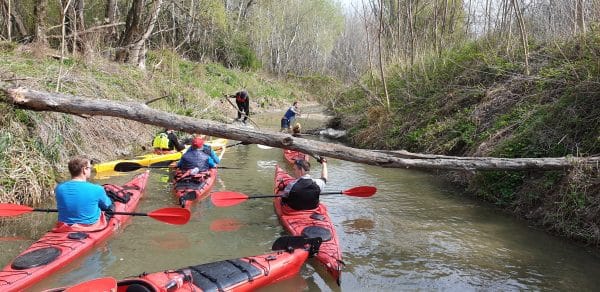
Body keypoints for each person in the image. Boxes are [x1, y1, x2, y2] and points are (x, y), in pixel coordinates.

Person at [55, 157, 113, 225]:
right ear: (84, 170)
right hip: (89, 226)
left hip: (64, 226)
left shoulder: (59, 188)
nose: (90, 170)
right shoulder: (97, 189)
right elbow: (107, 205)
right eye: (89, 168)